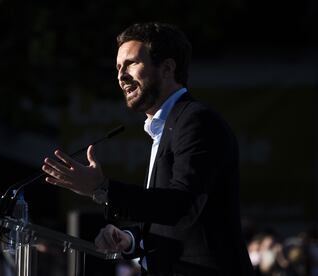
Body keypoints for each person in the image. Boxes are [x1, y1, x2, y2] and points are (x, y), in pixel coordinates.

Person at [42, 22, 254, 275]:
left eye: (131, 63)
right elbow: (170, 222)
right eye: (118, 67)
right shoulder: (167, 127)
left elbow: (183, 206)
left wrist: (102, 189)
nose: (121, 76)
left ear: (167, 68)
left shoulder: (196, 121)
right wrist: (131, 240)